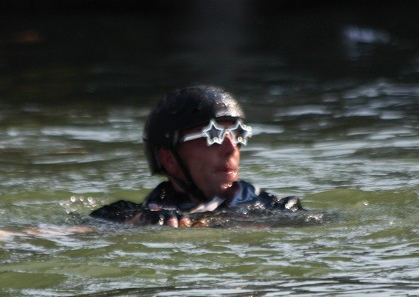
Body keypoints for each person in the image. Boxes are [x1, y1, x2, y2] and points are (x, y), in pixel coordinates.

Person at [91, 85, 302, 227]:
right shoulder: (132, 215)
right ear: (169, 159)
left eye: (237, 135)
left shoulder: (266, 206)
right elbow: (67, 233)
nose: (231, 149)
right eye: (214, 136)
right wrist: (139, 225)